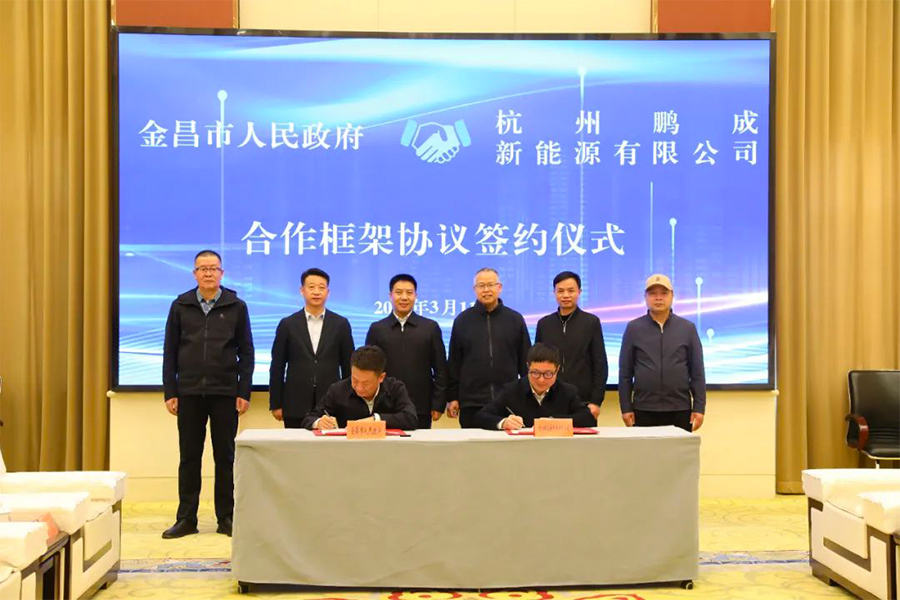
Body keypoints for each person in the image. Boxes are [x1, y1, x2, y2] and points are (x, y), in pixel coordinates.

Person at [161, 249, 254, 539]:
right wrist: (170, 390)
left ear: (222, 273)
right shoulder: (181, 305)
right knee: (189, 457)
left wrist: (243, 391)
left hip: (225, 392)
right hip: (188, 392)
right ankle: (186, 518)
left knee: (225, 457)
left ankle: (226, 517)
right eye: (203, 269)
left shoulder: (236, 306)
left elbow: (246, 352)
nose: (209, 273)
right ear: (195, 274)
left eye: (214, 268)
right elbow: (169, 351)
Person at [618, 274, 706, 433]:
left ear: (672, 296)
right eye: (652, 293)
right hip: (643, 408)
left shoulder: (687, 328)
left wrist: (699, 407)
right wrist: (626, 407)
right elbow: (625, 373)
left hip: (680, 408)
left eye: (664, 293)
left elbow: (697, 372)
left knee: (678, 450)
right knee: (646, 450)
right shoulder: (634, 328)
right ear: (645, 297)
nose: (658, 298)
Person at [269, 267, 354, 428]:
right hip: (295, 403)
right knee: (295, 444)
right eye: (311, 287)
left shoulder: (341, 324)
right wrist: (276, 403)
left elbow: (348, 367)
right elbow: (277, 366)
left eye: (321, 288)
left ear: (328, 292)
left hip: (332, 403)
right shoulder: (288, 324)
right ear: (302, 291)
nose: (316, 292)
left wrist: (349, 402)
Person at [447, 268, 531, 428]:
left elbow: (525, 361)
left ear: (500, 287)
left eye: (491, 285)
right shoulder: (462, 321)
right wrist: (452, 397)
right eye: (481, 285)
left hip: (508, 401)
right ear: (474, 289)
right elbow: (454, 363)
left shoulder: (515, 319)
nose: (486, 290)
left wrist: (527, 394)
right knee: (472, 444)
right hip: (471, 402)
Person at [365, 274, 448, 429]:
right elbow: (368, 369)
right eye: (398, 292)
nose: (404, 297)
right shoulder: (377, 329)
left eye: (409, 293)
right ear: (390, 295)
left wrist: (438, 403)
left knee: (420, 444)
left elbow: (440, 368)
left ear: (415, 296)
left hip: (421, 406)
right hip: (385, 406)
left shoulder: (430, 328)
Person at [535, 271, 608, 420]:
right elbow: (536, 363)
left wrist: (596, 401)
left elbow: (600, 364)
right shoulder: (544, 324)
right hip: (549, 399)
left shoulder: (591, 322)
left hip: (583, 401)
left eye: (571, 290)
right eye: (560, 291)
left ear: (579, 292)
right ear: (554, 293)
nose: (566, 295)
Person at [474, 343, 594, 430]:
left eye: (548, 374)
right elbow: (481, 416)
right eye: (535, 373)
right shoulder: (511, 390)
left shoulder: (567, 391)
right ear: (528, 367)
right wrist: (503, 422)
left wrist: (554, 422)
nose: (541, 380)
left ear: (557, 370)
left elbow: (588, 418)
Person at [302, 345, 418, 430]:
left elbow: (410, 418)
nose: (359, 388)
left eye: (366, 383)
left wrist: (375, 420)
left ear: (381, 377)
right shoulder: (337, 390)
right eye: (355, 380)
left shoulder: (395, 388)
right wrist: (319, 422)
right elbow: (309, 418)